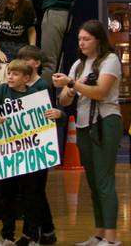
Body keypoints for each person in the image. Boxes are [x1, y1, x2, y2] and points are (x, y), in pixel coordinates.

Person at [0, 60, 62, 246]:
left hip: (31, 155)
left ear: (26, 78)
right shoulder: (2, 91)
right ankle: (7, 236)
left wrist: (59, 115)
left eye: (15, 74)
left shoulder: (35, 95)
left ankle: (32, 236)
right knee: (7, 196)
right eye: (9, 73)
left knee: (32, 196)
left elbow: (52, 120)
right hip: (7, 156)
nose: (10, 77)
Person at [53, 20, 123, 246]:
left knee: (104, 182)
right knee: (93, 183)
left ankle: (112, 239)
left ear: (98, 40)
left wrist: (73, 84)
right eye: (80, 39)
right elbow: (63, 99)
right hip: (84, 125)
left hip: (105, 122)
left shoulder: (110, 60)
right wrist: (71, 88)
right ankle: (100, 233)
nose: (81, 43)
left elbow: (101, 92)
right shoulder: (78, 65)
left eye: (86, 39)